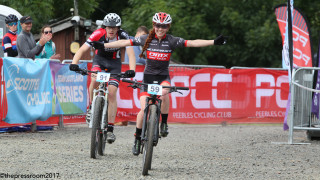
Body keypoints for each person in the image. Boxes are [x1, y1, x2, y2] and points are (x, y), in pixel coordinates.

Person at [90, 12, 227, 155]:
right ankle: (137, 138)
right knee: (143, 111)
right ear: (153, 25)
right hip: (148, 78)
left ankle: (164, 123)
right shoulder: (146, 39)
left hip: (163, 77)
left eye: (164, 26)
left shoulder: (172, 41)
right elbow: (124, 42)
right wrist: (104, 45)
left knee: (164, 93)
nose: (160, 29)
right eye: (157, 25)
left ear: (168, 27)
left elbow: (192, 43)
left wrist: (213, 41)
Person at [70, 13, 136, 144]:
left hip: (114, 64)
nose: (111, 30)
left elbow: (131, 53)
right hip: (99, 61)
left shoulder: (123, 35)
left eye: (114, 27)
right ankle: (90, 108)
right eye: (108, 27)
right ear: (105, 27)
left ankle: (110, 128)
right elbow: (82, 49)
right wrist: (74, 63)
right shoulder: (98, 33)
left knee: (112, 92)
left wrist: (132, 69)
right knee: (94, 79)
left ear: (118, 28)